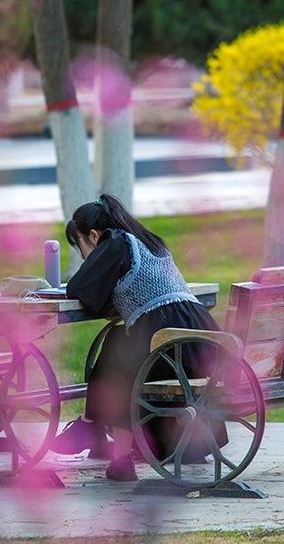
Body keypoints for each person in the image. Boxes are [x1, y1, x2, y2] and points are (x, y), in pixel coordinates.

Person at [51, 194, 226, 481]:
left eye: (81, 248)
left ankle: (103, 439)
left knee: (118, 354)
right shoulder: (149, 241)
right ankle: (99, 428)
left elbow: (81, 289)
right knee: (119, 340)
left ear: (93, 236)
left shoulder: (115, 242)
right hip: (199, 337)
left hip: (166, 335)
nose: (84, 257)